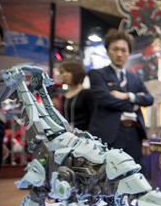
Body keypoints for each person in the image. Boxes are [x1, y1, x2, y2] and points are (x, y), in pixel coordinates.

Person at [88, 29, 153, 175]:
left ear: (128, 53)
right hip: (108, 135)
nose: (119, 54)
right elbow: (105, 99)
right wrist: (135, 103)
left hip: (134, 135)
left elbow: (149, 99)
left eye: (123, 50)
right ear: (108, 51)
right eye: (115, 49)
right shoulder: (97, 74)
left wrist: (128, 96)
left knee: (134, 175)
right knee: (107, 176)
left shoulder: (134, 78)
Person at [59, 61, 94, 131]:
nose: (64, 75)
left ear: (76, 73)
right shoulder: (64, 96)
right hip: (68, 135)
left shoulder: (87, 93)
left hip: (84, 135)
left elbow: (93, 117)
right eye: (62, 72)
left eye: (68, 71)